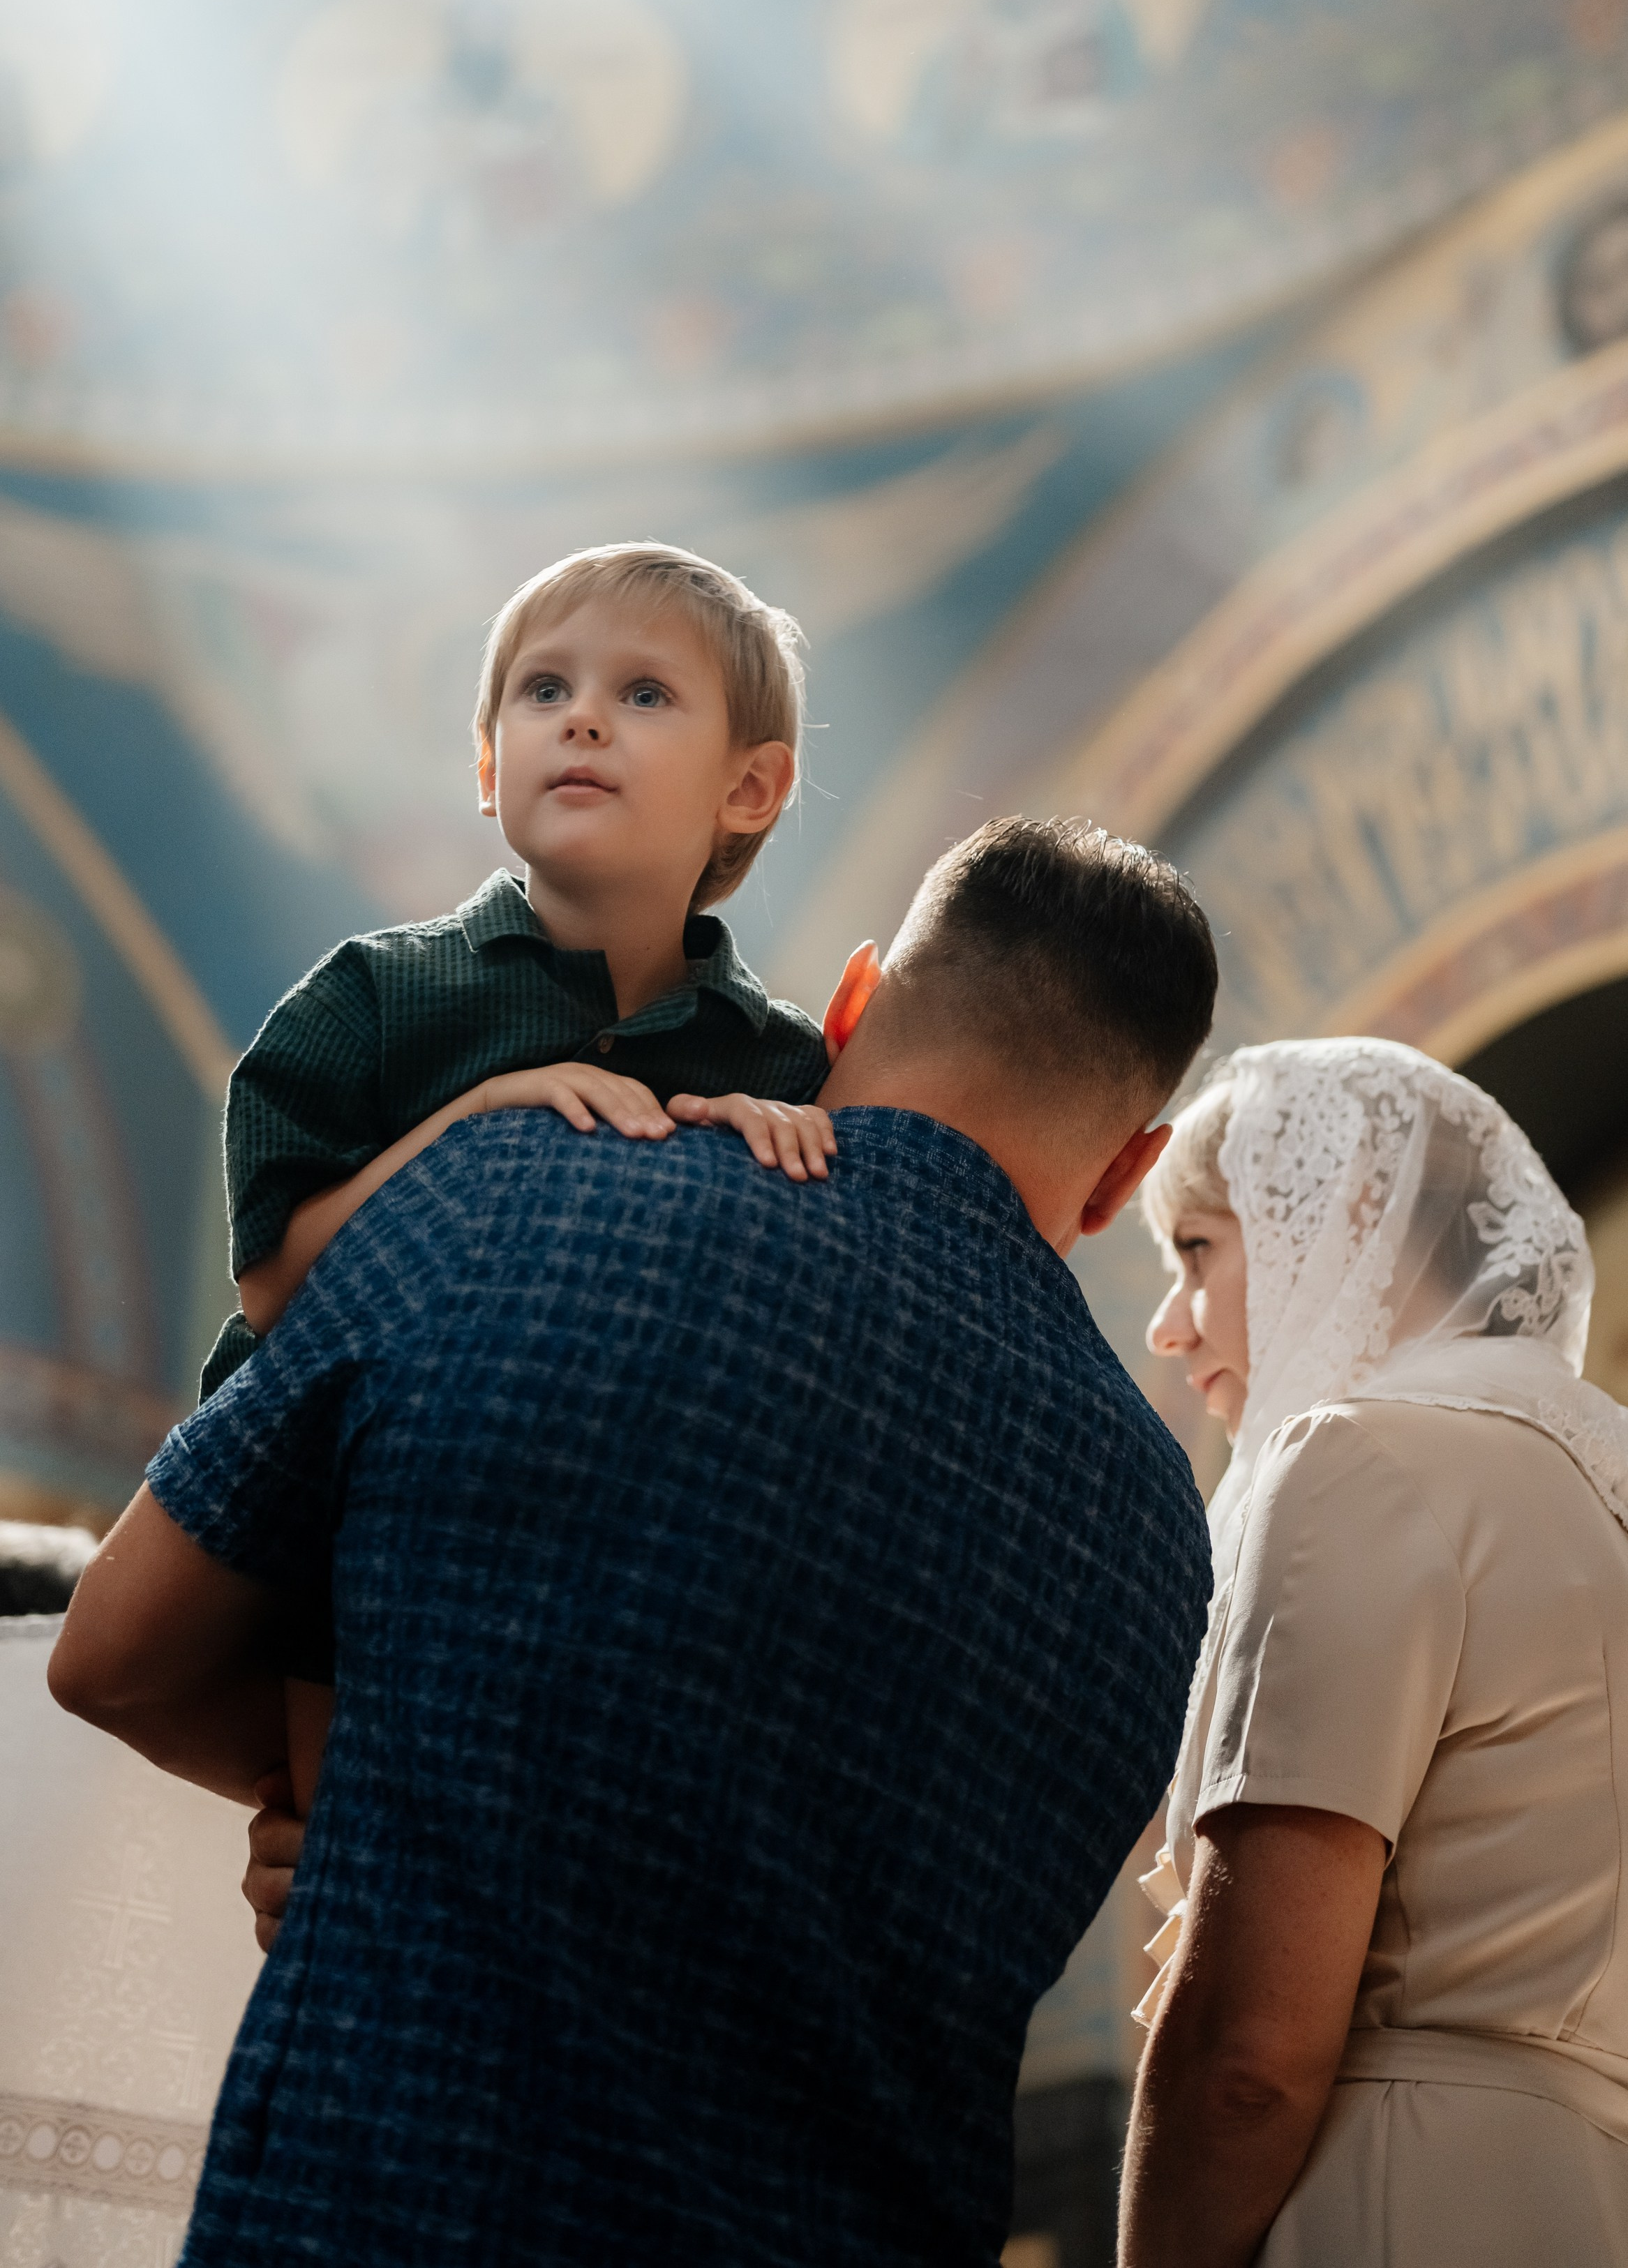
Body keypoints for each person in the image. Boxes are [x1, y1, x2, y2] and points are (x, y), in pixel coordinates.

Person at [51, 816, 1217, 2268]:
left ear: (848, 1004)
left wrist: (375, 1802)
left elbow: (113, 1650)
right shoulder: (1162, 1534)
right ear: (1128, 1174)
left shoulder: (507, 1195)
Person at [200, 541, 862, 1810]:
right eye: (544, 691)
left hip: (606, 1566)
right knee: (353, 1859)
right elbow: (279, 1292)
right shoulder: (376, 1000)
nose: (586, 718)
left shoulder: (781, 1063)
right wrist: (482, 1123)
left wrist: (762, 1166)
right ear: (491, 766)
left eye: (645, 695)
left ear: (752, 788)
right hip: (346, 1542)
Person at [1120, 1036, 1628, 2268]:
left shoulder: (1356, 1459)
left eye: (1197, 1251)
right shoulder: (1601, 1492)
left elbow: (1249, 2057)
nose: (1167, 1329)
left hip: (1388, 2197)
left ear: (1337, 1213)